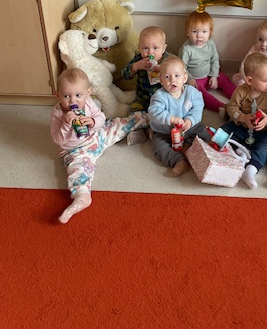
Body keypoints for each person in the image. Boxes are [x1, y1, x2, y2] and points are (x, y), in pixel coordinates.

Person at [51, 68, 148, 224]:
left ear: (88, 93)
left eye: (78, 95)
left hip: (97, 136)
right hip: (76, 151)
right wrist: (66, 125)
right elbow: (58, 140)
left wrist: (93, 122)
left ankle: (146, 118)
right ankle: (81, 198)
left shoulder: (88, 103)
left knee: (118, 124)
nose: (73, 101)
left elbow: (101, 117)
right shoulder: (58, 113)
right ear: (57, 95)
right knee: (78, 172)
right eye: (66, 96)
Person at [222, 52, 267, 190]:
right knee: (221, 133)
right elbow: (231, 108)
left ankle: (250, 170)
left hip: (262, 131)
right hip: (240, 127)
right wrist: (243, 117)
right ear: (250, 80)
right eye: (266, 80)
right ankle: (238, 152)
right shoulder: (241, 90)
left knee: (265, 149)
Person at [148, 56, 211, 176]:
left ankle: (187, 147)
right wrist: (170, 118)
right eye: (167, 77)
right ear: (161, 80)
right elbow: (153, 112)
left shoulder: (192, 93)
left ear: (185, 78)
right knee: (159, 147)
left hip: (188, 128)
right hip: (165, 132)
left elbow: (198, 108)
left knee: (204, 132)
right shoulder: (159, 96)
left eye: (177, 76)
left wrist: (190, 120)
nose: (173, 80)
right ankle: (179, 161)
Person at [178, 10, 235, 115]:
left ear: (210, 33)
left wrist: (214, 76)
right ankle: (221, 107)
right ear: (187, 32)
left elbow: (214, 60)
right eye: (194, 32)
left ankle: (239, 97)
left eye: (204, 32)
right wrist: (190, 79)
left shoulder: (211, 44)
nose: (199, 36)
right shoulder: (186, 49)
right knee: (199, 93)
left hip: (209, 76)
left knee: (224, 79)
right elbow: (181, 68)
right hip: (195, 80)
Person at [121, 26, 169, 145]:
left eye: (155, 48)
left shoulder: (168, 61)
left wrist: (164, 70)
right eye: (145, 48)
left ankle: (155, 130)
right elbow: (125, 74)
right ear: (139, 48)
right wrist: (136, 66)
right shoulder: (139, 59)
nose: (150, 52)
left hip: (162, 99)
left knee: (166, 114)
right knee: (134, 111)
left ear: (163, 49)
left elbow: (177, 76)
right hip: (143, 97)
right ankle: (140, 131)